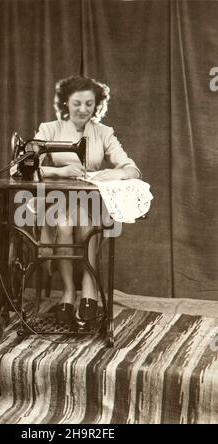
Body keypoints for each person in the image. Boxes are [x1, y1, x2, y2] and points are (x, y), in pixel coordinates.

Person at [35, 75, 141, 325]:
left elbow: (131, 169)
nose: (83, 110)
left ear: (97, 105)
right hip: (57, 200)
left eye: (89, 104)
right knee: (63, 224)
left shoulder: (104, 133)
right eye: (77, 103)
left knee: (84, 223)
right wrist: (59, 172)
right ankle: (70, 290)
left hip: (90, 201)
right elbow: (21, 170)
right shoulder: (49, 130)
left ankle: (88, 285)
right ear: (65, 104)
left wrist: (115, 171)